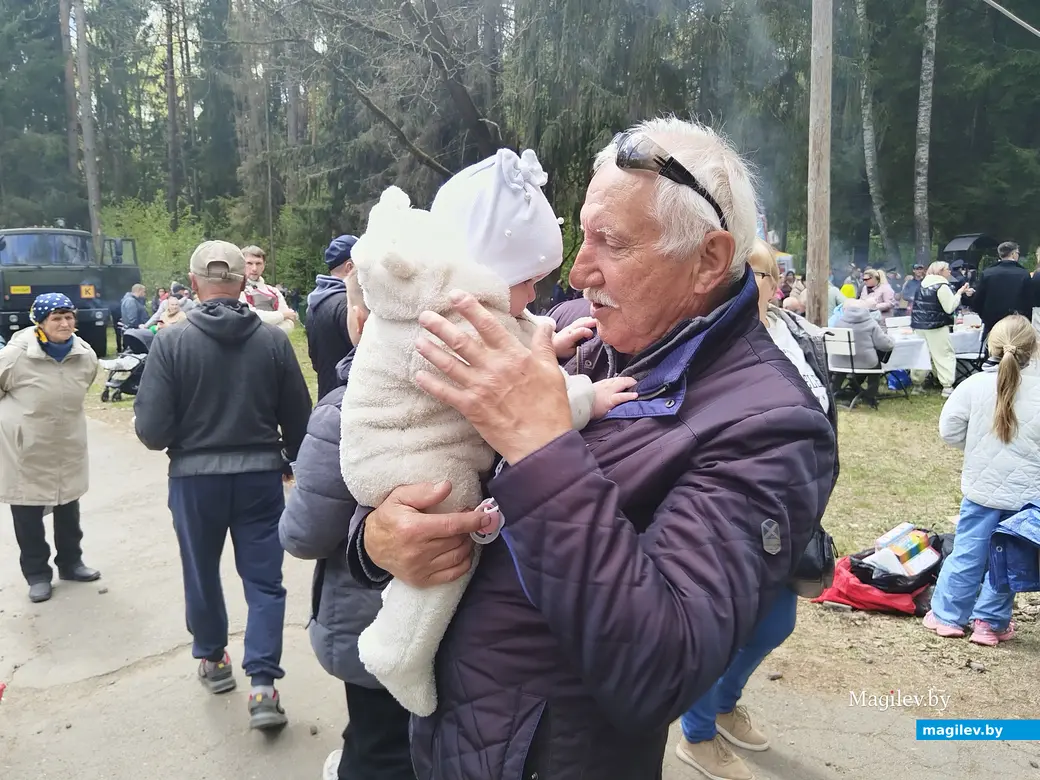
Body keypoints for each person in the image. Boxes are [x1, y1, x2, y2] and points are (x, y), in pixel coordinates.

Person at [345, 118, 837, 779]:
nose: (577, 272)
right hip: (451, 738)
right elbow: (418, 442)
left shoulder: (771, 426)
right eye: (583, 234)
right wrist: (377, 539)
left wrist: (541, 443)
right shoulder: (579, 333)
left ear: (709, 260)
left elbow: (659, 672)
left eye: (612, 242)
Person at [340, 157, 633, 716]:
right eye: (528, 279)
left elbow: (517, 334)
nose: (540, 288)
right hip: (404, 458)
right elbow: (515, 398)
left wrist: (551, 335)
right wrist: (586, 398)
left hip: (407, 445)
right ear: (486, 272)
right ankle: (398, 646)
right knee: (454, 528)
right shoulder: (443, 324)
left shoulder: (447, 298)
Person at [133, 240, 312, 730]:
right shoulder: (273, 342)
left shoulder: (171, 342)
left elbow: (152, 432)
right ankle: (263, 688)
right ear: (242, 285)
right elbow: (300, 421)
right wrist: (293, 464)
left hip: (194, 481)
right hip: (258, 478)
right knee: (264, 581)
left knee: (201, 571)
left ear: (193, 284)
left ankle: (213, 661)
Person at [676, 239, 836, 780]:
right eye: (753, 274)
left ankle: (724, 703)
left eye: (767, 276)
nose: (763, 285)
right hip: (731, 513)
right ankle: (696, 737)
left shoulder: (796, 337)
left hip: (791, 510)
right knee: (721, 629)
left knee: (773, 625)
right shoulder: (708, 342)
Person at [281, 270, 415, 780]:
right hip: (460, 628)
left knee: (381, 746)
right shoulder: (482, 393)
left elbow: (304, 534)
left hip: (369, 625)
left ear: (357, 319)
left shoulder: (346, 412)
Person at [925, 314, 1039, 645]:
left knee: (966, 552)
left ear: (991, 345)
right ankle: (990, 623)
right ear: (1033, 350)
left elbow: (949, 431)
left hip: (981, 490)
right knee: (1009, 559)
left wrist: (974, 444)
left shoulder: (972, 386)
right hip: (1026, 496)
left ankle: (948, 616)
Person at [0, 293, 100, 603]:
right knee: (28, 511)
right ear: (40, 323)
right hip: (26, 446)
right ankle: (38, 575)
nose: (65, 323)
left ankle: (71, 563)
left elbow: (85, 385)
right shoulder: (15, 355)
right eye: (56, 318)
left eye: (69, 317)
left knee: (68, 505)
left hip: (67, 442)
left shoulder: (85, 355)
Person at [307, 235, 358, 399]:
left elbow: (314, 358)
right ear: (349, 267)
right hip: (349, 398)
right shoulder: (348, 304)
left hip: (327, 395)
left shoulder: (315, 301)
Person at [911, 261, 969, 397]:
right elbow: (950, 307)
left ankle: (916, 384)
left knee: (921, 355)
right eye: (947, 270)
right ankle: (947, 386)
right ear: (940, 271)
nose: (949, 272)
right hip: (936, 326)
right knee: (944, 355)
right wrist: (959, 293)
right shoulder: (942, 286)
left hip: (919, 325)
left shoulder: (922, 284)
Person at [830, 298, 895, 407]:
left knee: (842, 367)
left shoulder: (838, 322)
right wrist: (892, 340)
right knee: (875, 365)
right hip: (865, 363)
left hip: (839, 363)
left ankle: (833, 393)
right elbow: (885, 345)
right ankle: (870, 396)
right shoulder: (870, 323)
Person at [965, 241, 1032, 340]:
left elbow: (978, 300)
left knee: (993, 350)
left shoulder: (987, 273)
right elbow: (1028, 301)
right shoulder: (1023, 274)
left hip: (992, 323)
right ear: (1013, 254)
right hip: (1016, 323)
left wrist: (985, 316)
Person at [241, 245, 298, 332]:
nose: (254, 268)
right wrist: (282, 315)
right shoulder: (237, 290)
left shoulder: (274, 291)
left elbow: (289, 323)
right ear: (241, 265)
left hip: (274, 344)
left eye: (258, 263)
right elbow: (250, 318)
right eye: (249, 263)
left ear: (263, 266)